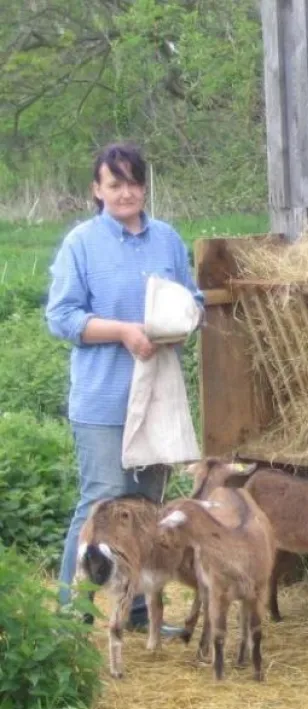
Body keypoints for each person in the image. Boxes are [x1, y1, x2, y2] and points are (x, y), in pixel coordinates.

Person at [45, 142, 204, 635]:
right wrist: (123, 332)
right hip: (103, 396)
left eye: (134, 182)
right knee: (102, 502)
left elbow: (190, 298)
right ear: (97, 190)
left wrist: (179, 324)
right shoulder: (82, 244)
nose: (126, 192)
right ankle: (74, 613)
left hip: (156, 393)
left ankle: (134, 611)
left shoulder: (167, 240)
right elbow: (62, 317)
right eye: (115, 184)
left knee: (143, 507)